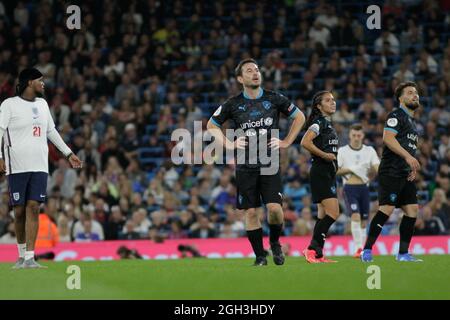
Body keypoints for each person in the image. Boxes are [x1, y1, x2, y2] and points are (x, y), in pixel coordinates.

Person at [207, 58, 305, 266]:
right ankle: (260, 256)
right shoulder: (233, 104)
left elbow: (300, 117)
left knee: (275, 209)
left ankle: (275, 242)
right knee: (251, 212)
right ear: (240, 78)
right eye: (249, 71)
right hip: (245, 165)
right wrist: (229, 144)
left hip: (270, 162)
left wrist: (287, 141)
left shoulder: (274, 98)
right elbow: (211, 125)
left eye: (257, 70)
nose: (255, 73)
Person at [0, 68, 82, 269]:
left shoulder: (43, 104)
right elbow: (0, 131)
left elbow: (51, 131)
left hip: (39, 165)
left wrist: (68, 153)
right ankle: (20, 256)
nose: (43, 83)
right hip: (16, 166)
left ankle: (30, 257)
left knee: (34, 208)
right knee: (18, 211)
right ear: (29, 83)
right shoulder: (10, 105)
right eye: (40, 80)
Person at [361, 81, 422, 262]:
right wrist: (408, 158)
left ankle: (403, 254)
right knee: (386, 210)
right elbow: (388, 138)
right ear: (401, 98)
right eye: (410, 92)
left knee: (412, 210)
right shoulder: (396, 115)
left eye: (416, 93)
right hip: (391, 171)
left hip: (405, 173)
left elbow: (408, 148)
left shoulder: (411, 122)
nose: (415, 95)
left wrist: (411, 165)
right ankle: (367, 250)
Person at [300, 91, 340, 263]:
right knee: (333, 213)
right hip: (320, 171)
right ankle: (310, 249)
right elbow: (305, 142)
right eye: (328, 100)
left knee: (323, 215)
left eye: (333, 100)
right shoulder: (319, 123)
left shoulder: (327, 124)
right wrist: (324, 155)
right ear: (318, 105)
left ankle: (318, 253)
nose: (333, 102)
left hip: (327, 172)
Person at [336, 123, 380, 257]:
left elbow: (376, 166)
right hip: (350, 188)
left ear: (363, 136)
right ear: (349, 135)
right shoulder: (342, 151)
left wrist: (373, 171)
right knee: (355, 215)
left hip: (364, 187)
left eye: (358, 135)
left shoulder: (369, 150)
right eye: (354, 135)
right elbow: (336, 170)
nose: (356, 137)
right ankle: (358, 248)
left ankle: (363, 248)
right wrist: (351, 169)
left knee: (364, 220)